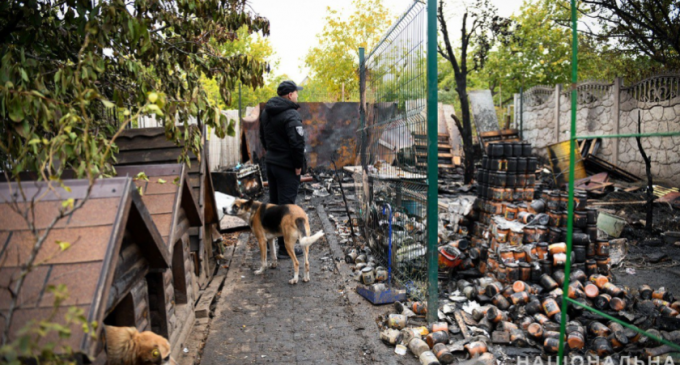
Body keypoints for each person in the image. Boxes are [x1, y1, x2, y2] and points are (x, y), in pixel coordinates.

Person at [259, 80, 306, 259]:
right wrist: (297, 166)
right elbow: (297, 143)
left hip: (271, 164)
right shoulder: (291, 114)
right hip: (286, 167)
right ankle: (287, 249)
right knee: (287, 207)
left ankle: (278, 244)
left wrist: (272, 154)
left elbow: (263, 137)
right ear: (289, 95)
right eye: (296, 92)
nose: (297, 95)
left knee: (276, 205)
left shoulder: (265, 113)